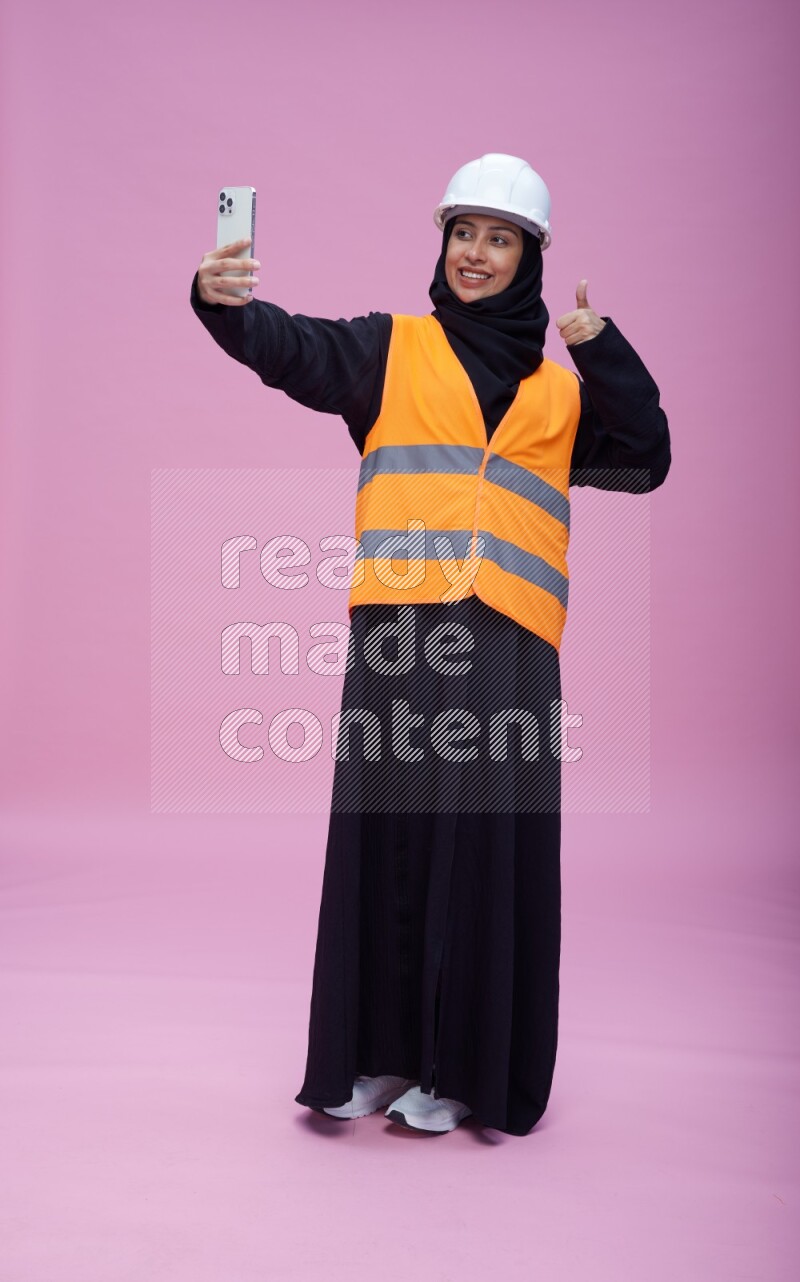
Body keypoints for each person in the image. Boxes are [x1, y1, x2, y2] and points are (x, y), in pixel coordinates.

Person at [191, 153, 671, 1137]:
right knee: (389, 841)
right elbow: (292, 347)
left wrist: (598, 344)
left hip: (508, 643)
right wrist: (223, 304)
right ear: (442, 242)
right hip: (399, 634)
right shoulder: (389, 350)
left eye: (499, 239)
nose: (475, 254)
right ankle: (371, 1059)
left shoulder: (557, 392)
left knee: (486, 851)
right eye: (463, 233)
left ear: (528, 257)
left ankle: (460, 1075)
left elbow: (644, 457)